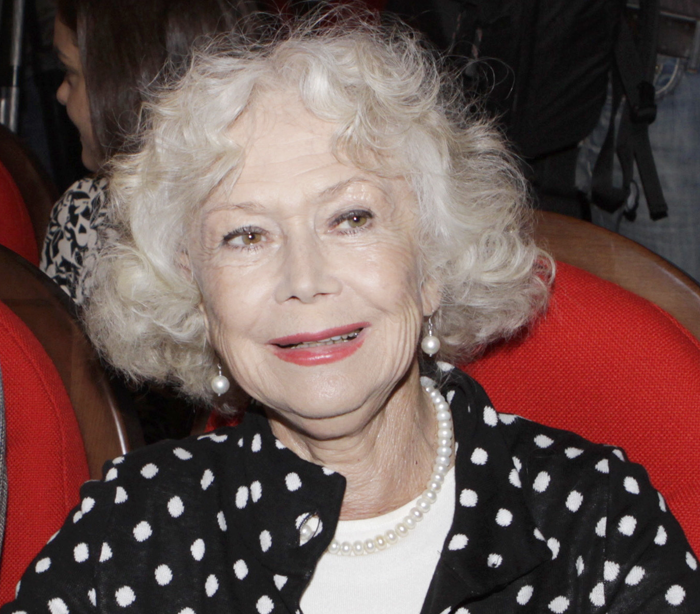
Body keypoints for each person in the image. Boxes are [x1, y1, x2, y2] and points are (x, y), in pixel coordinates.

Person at [4, 11, 698, 614]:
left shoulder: (595, 527)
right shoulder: (133, 532)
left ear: (432, 264)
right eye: (246, 236)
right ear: (196, 293)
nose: (304, 280)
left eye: (352, 218)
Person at [43, 0, 259, 306]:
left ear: (128, 85)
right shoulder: (81, 213)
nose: (61, 94)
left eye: (70, 74)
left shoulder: (256, 215)